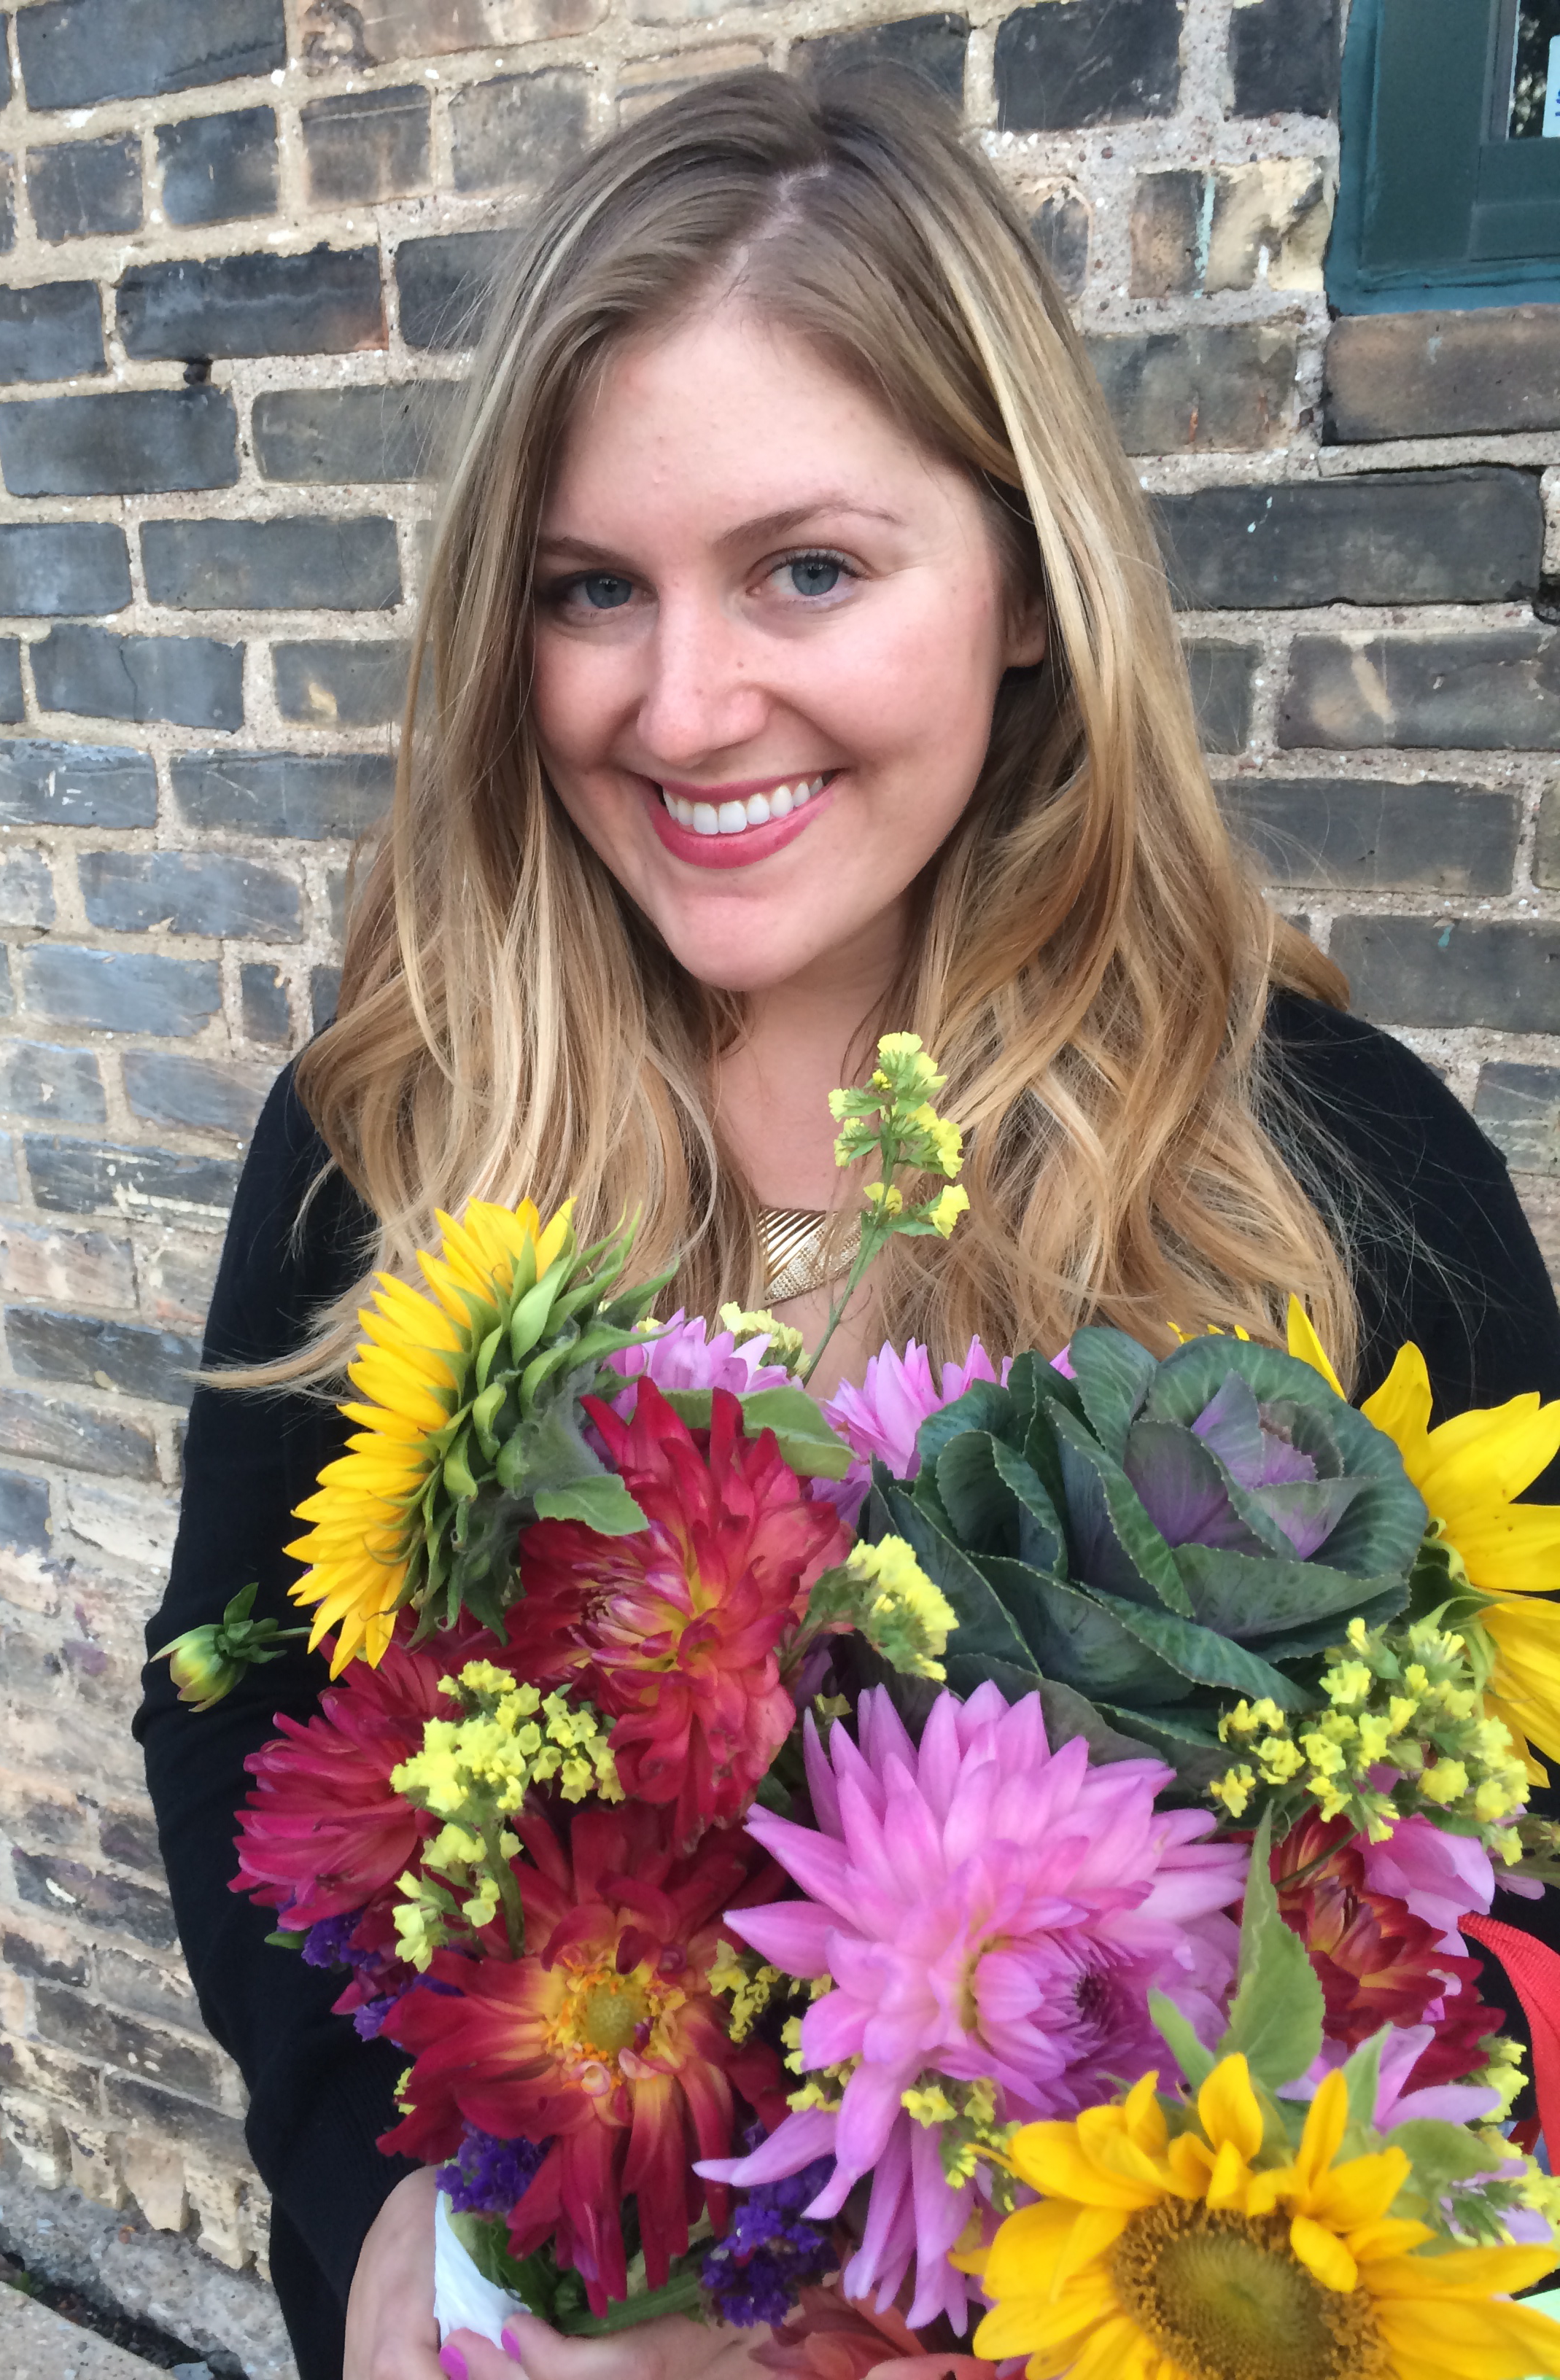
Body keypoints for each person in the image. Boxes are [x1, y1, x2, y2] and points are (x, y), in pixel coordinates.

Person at [138, 66, 1560, 2380]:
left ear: (1028, 590)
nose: (686, 708)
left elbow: (1516, 1881)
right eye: (592, 590)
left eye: (809, 568)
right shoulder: (384, 1135)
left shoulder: (1333, 1179)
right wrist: (382, 2219)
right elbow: (240, 1714)